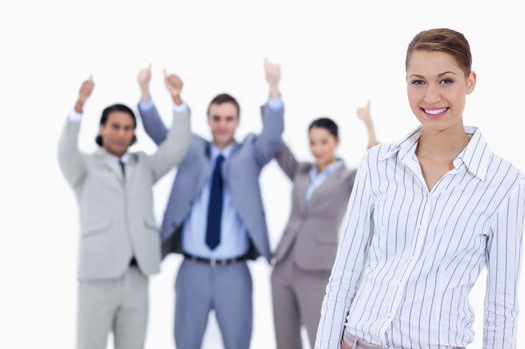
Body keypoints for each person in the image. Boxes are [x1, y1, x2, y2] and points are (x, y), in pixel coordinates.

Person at [315, 28, 525, 349]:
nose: (430, 97)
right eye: (418, 81)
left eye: (446, 80)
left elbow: (501, 308)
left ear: (470, 81)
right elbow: (344, 277)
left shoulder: (504, 185)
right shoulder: (377, 164)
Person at [137, 60, 284, 349]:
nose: (222, 125)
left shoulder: (250, 153)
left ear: (238, 122)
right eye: (216, 118)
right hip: (192, 270)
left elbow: (272, 136)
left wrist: (274, 87)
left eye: (229, 119)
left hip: (235, 272)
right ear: (207, 120)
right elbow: (159, 133)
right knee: (186, 342)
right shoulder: (190, 149)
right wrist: (149, 92)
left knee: (238, 342)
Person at [57, 75, 191, 349]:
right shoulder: (84, 167)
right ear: (102, 128)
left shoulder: (144, 166)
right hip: (98, 276)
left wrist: (177, 100)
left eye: (128, 128)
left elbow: (177, 148)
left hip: (137, 274)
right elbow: (65, 152)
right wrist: (79, 106)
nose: (121, 133)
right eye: (115, 127)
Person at [271, 102, 378, 349]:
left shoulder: (348, 178)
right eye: (312, 142)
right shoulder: (302, 171)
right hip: (284, 265)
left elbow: (375, 171)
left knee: (322, 339)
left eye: (323, 142)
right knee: (284, 341)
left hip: (318, 268)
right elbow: (277, 144)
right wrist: (273, 90)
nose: (317, 149)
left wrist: (369, 125)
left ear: (336, 141)